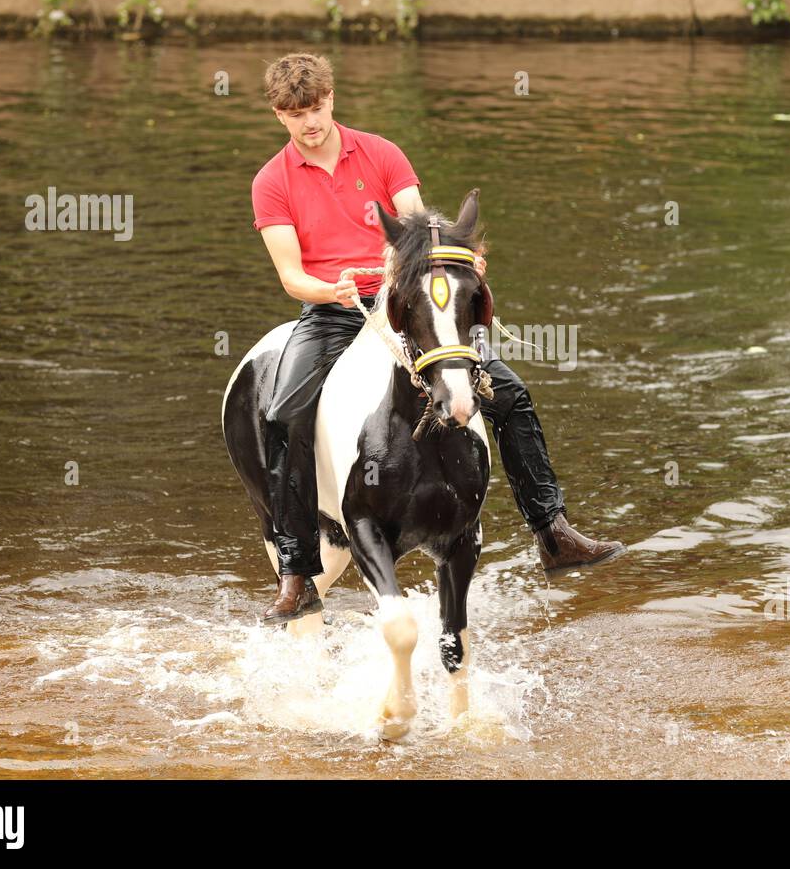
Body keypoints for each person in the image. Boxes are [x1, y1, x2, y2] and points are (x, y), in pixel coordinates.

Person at [251, 53, 624, 624]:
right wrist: (333, 286)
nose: (310, 122)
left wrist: (446, 258)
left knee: (511, 393)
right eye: (295, 113)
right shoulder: (271, 182)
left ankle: (552, 531)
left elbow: (419, 228)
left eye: (317, 107)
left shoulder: (380, 153)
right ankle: (297, 570)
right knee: (282, 415)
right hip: (334, 312)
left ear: (332, 98)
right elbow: (289, 274)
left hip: (405, 307)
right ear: (279, 114)